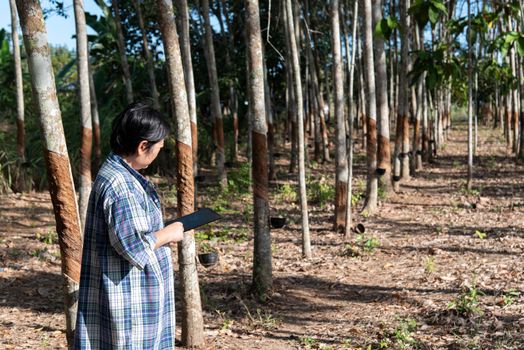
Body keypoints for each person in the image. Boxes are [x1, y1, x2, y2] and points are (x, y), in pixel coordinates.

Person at [75, 102, 185, 349]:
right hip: (129, 303)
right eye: (158, 147)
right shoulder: (120, 186)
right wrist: (170, 233)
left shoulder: (121, 174)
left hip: (132, 296)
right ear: (142, 146)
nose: (159, 152)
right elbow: (133, 247)